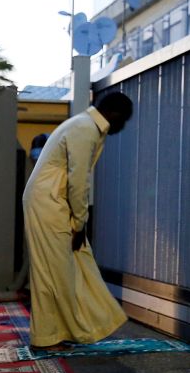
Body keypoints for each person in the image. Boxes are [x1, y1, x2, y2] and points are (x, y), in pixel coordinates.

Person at [23, 92, 134, 351]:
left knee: (70, 266)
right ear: (114, 114)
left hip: (50, 200)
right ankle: (47, 338)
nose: (123, 126)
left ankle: (72, 329)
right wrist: (79, 223)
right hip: (50, 202)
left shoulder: (83, 124)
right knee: (54, 272)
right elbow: (78, 183)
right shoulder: (86, 129)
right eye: (124, 120)